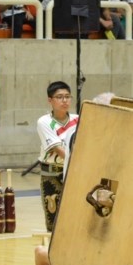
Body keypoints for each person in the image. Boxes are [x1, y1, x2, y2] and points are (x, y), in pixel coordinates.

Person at [36, 81, 78, 232]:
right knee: (54, 221)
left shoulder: (79, 119)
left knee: (75, 218)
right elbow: (59, 150)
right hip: (53, 174)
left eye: (67, 96)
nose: (64, 100)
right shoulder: (44, 122)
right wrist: (81, 161)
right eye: (59, 97)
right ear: (50, 100)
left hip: (75, 173)